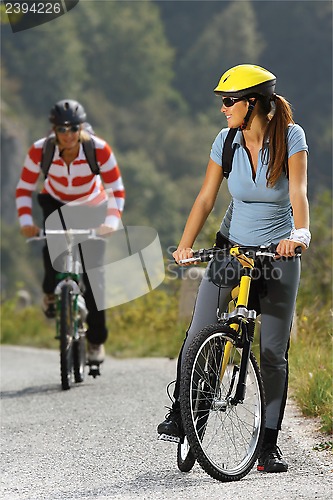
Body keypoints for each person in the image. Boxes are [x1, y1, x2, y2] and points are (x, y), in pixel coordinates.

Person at [157, 64, 310, 473]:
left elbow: (298, 192)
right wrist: (186, 243)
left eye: (229, 102)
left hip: (278, 256)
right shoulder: (225, 142)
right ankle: (183, 410)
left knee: (273, 351)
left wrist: (299, 234)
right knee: (198, 333)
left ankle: (268, 445)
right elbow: (206, 197)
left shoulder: (291, 138)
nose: (223, 109)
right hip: (231, 250)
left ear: (253, 103)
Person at [16, 99, 125, 364]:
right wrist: (26, 221)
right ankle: (51, 294)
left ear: (81, 128)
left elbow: (116, 190)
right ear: (53, 130)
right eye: (61, 130)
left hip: (92, 205)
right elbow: (24, 189)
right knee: (52, 250)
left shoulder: (98, 150)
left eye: (72, 129)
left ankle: (96, 342)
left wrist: (110, 222)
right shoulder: (40, 151)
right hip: (55, 203)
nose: (67, 135)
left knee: (94, 278)